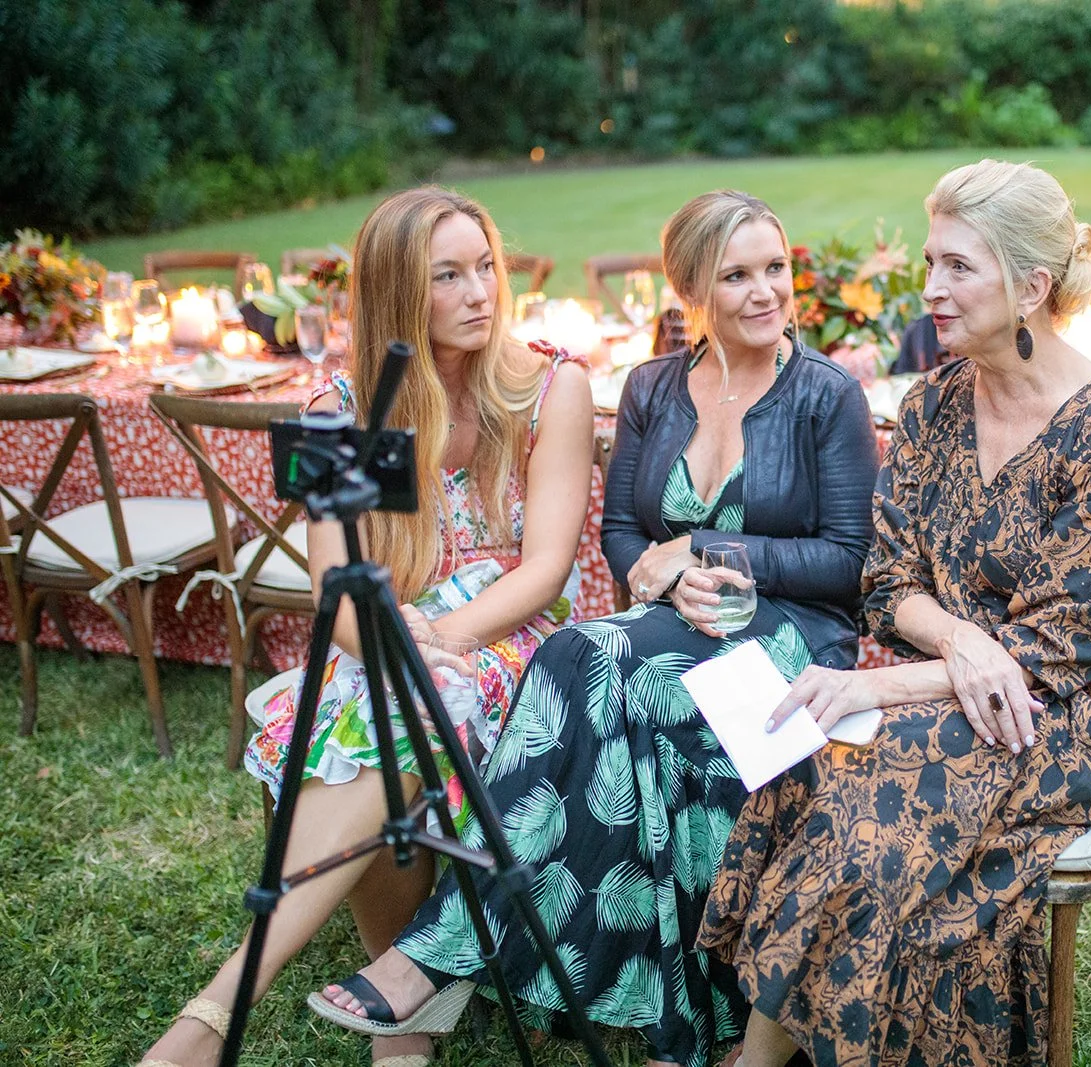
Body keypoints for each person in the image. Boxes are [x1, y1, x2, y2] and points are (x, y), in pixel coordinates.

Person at [310, 190, 880, 1067]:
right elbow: (618, 535)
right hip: (660, 630)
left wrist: (697, 546)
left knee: (590, 657)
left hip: (789, 637)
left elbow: (847, 561)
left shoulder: (827, 395)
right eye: (737, 275)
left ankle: (440, 949)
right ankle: (670, 1024)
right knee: (609, 701)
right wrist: (656, 570)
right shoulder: (651, 387)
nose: (767, 291)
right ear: (691, 287)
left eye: (776, 267)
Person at [696, 160, 1091, 1067]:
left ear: (1032, 286)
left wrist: (886, 679)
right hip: (969, 686)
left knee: (875, 789)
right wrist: (961, 643)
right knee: (821, 762)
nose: (931, 290)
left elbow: (1058, 650)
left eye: (959, 266)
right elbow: (887, 582)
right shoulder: (930, 405)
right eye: (930, 262)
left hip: (1089, 711)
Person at [138, 186, 594, 1067]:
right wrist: (395, 650)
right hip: (387, 638)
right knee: (373, 713)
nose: (481, 293)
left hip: (513, 637)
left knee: (402, 713)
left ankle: (220, 1016)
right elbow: (334, 591)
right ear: (395, 293)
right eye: (448, 276)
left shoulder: (550, 384)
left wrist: (440, 641)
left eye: (486, 266)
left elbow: (544, 571)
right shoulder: (336, 409)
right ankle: (398, 1008)